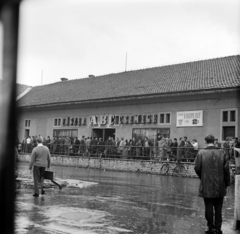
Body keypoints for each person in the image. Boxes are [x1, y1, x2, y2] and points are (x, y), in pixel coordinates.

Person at [194, 134, 230, 234]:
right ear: (214, 141)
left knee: (208, 208)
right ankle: (218, 228)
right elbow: (226, 169)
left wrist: (203, 177)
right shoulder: (222, 152)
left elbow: (197, 168)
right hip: (220, 185)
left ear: (205, 142)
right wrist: (227, 183)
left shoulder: (201, 153)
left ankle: (210, 227)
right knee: (219, 208)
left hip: (207, 185)